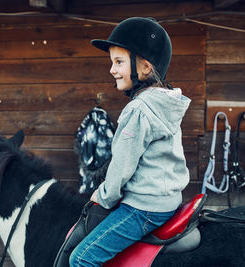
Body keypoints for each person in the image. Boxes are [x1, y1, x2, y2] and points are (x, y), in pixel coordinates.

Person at [69, 17, 191, 266]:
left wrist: (101, 197)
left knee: (81, 259)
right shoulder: (165, 104)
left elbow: (121, 168)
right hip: (168, 199)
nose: (112, 69)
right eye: (112, 62)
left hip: (143, 208)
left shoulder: (138, 109)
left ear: (145, 68)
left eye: (119, 62)